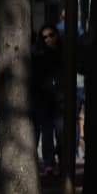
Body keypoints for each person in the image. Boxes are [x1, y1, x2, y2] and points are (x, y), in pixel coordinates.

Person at [32, 25, 64, 175]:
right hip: (43, 99)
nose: (48, 39)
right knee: (47, 132)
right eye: (44, 37)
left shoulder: (62, 53)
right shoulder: (38, 55)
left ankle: (63, 161)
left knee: (61, 130)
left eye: (51, 35)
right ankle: (49, 163)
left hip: (60, 99)